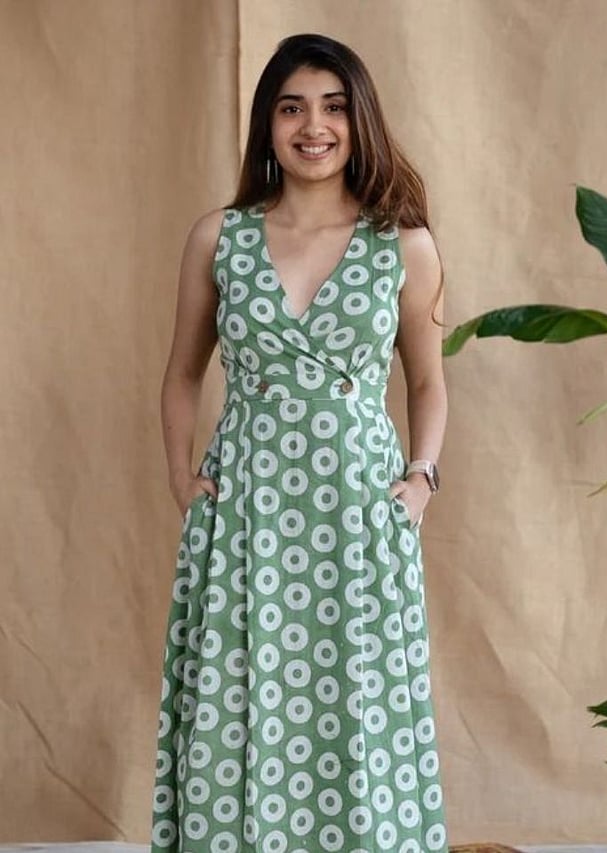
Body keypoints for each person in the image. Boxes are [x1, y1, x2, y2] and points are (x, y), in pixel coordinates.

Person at [151, 32, 449, 853]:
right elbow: (182, 372)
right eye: (291, 108)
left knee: (357, 698)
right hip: (245, 511)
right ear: (268, 125)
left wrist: (420, 479)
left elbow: (428, 381)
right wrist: (182, 478)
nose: (313, 126)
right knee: (241, 691)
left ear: (360, 120)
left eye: (333, 107)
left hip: (359, 512)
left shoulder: (404, 244)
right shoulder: (219, 237)